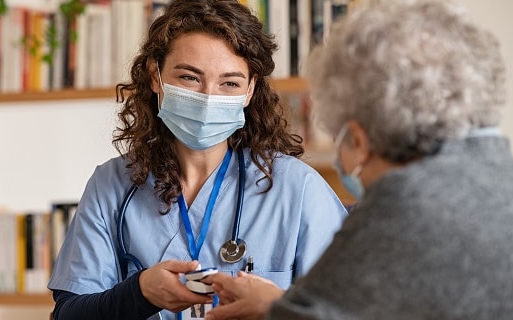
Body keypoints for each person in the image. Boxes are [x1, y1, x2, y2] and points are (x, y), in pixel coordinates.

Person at [204, 0, 513, 319]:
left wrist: (273, 311)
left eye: (339, 136)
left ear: (358, 140)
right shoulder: (501, 175)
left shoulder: (400, 210)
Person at [47, 0, 347, 319]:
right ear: (154, 74)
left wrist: (277, 308)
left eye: (229, 83)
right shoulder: (112, 186)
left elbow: (354, 310)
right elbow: (69, 314)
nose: (208, 97)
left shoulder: (298, 189)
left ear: (250, 90)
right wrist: (140, 292)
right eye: (190, 78)